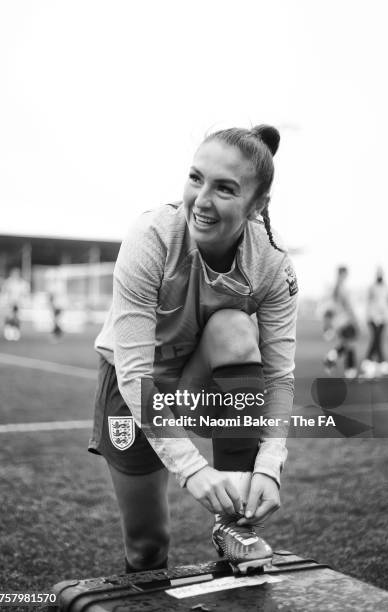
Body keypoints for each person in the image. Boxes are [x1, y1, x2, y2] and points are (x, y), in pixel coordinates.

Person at [88, 124, 298, 573]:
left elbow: (279, 377)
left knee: (235, 327)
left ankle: (232, 524)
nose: (201, 200)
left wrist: (268, 465)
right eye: (196, 178)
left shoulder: (273, 265)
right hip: (133, 386)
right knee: (147, 545)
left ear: (257, 204)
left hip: (199, 381)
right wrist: (193, 469)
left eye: (225, 188)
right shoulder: (152, 235)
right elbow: (134, 376)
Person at [323, 266, 360, 378]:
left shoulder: (337, 287)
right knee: (350, 344)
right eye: (344, 274)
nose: (345, 276)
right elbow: (347, 305)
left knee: (346, 344)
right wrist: (354, 319)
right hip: (344, 320)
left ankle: (330, 358)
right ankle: (350, 370)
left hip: (340, 320)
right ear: (342, 274)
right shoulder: (340, 288)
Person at [360, 267, 388, 377]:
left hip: (383, 318)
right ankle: (379, 361)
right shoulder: (372, 287)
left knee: (378, 339)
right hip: (373, 317)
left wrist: (387, 314)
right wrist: (370, 316)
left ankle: (371, 361)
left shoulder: (386, 287)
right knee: (376, 338)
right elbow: (369, 302)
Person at [0, 268, 30, 341]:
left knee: (17, 318)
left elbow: (25, 294)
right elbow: (4, 292)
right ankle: (8, 332)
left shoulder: (23, 283)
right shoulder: (8, 282)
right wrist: (4, 301)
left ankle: (16, 332)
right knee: (9, 317)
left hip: (18, 304)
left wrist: (23, 302)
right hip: (9, 303)